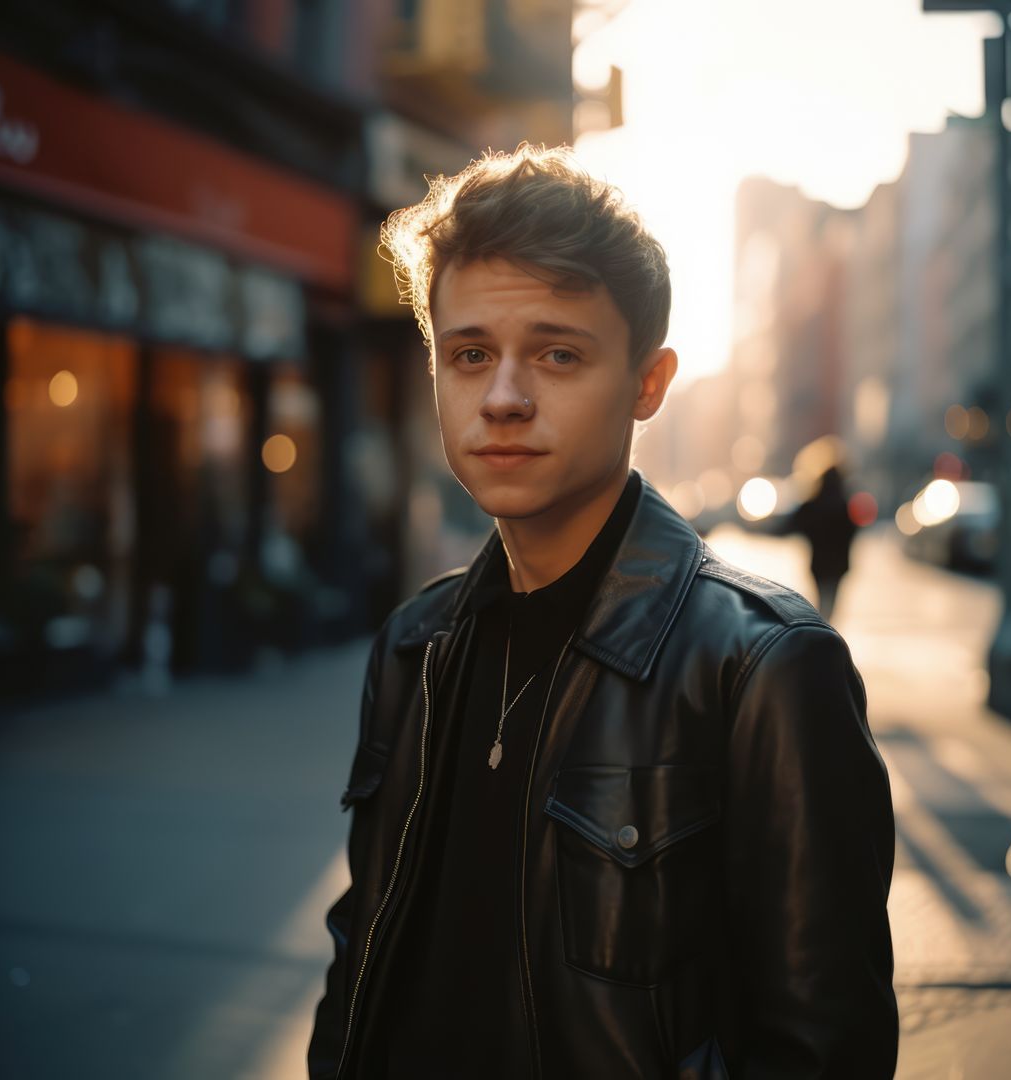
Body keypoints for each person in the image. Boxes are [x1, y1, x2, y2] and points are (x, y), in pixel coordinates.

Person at [308, 145, 898, 1080]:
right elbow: (363, 954)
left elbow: (823, 1047)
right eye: (469, 354)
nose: (502, 398)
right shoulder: (412, 647)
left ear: (647, 384)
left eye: (557, 353)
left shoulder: (763, 671)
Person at [789, 465, 859, 622]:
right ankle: (826, 629)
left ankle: (823, 628)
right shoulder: (844, 505)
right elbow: (852, 531)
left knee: (822, 598)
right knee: (831, 601)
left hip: (819, 564)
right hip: (838, 566)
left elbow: (797, 523)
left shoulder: (814, 504)